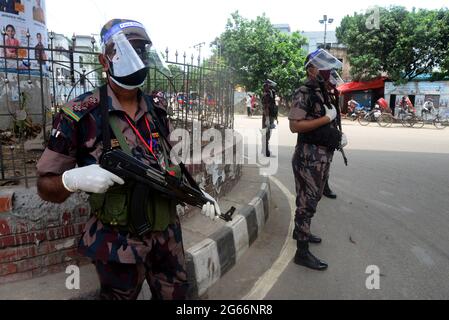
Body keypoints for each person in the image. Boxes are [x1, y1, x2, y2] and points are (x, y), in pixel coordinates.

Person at [36, 19, 220, 300]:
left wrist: (196, 193)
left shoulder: (156, 109)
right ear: (104, 59)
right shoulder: (81, 114)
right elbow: (45, 185)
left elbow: (168, 164)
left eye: (141, 50)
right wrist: (71, 180)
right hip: (117, 244)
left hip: (167, 238)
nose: (135, 58)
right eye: (124, 51)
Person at [289, 49, 348, 271]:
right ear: (311, 69)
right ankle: (301, 253)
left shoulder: (322, 91)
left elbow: (327, 122)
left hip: (321, 156)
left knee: (311, 200)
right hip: (309, 157)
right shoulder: (304, 92)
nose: (328, 72)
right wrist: (326, 118)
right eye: (322, 68)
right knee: (306, 203)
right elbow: (295, 126)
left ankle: (301, 231)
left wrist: (336, 135)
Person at [262, 79, 277, 157]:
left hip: (271, 115)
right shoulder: (266, 94)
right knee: (266, 132)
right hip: (267, 115)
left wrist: (275, 118)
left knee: (268, 132)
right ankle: (265, 150)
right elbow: (266, 107)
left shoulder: (271, 93)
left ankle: (264, 149)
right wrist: (267, 118)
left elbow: (273, 105)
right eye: (268, 85)